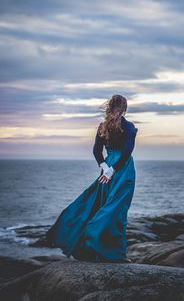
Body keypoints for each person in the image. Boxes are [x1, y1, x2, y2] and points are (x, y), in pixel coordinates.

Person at [41, 94, 138, 263]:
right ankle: (111, 250)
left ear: (109, 107)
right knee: (118, 211)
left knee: (101, 204)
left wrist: (106, 168)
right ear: (125, 109)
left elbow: (96, 151)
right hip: (123, 170)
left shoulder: (103, 127)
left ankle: (96, 251)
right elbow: (127, 151)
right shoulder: (129, 127)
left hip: (107, 168)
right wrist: (113, 170)